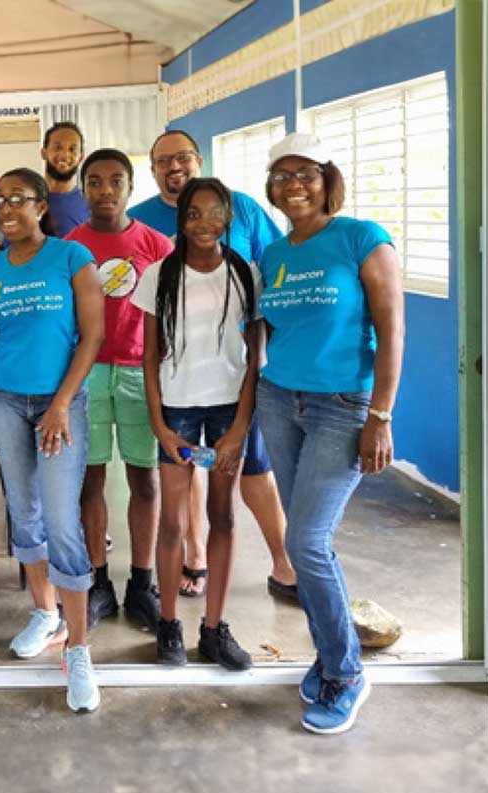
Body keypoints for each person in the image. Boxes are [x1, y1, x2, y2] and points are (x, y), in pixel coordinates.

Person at [256, 133, 403, 733]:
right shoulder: (274, 252)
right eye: (283, 175)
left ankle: (345, 672)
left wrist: (381, 416)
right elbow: (265, 329)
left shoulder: (362, 238)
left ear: (327, 179)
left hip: (343, 405)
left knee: (308, 543)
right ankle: (328, 653)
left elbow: (392, 329)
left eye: (306, 173)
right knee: (305, 543)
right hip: (278, 398)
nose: (295, 184)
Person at [129, 130, 296, 602]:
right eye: (163, 160)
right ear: (154, 169)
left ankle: (285, 564)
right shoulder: (144, 226)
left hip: (236, 382)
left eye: (182, 157)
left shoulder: (242, 210)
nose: (174, 166)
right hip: (181, 392)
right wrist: (158, 419)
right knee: (185, 485)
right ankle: (194, 557)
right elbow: (150, 336)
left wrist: (263, 368)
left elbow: (275, 266)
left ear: (197, 159)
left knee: (253, 472)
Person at [0, 167, 105, 712]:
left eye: (17, 200)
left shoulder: (72, 258)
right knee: (23, 513)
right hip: (3, 398)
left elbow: (92, 335)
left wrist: (58, 406)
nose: (5, 209)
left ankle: (79, 651)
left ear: (42, 206)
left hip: (60, 403)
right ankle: (45, 612)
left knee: (60, 520)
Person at [132, 177, 260, 670]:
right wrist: (160, 423)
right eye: (193, 214)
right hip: (179, 411)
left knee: (224, 516)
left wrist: (240, 425)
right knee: (174, 520)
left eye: (215, 214)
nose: (204, 224)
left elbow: (253, 356)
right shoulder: (159, 275)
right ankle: (169, 625)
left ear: (228, 218)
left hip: (228, 407)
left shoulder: (245, 274)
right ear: (181, 219)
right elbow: (149, 357)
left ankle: (214, 628)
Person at [64, 148, 173, 632]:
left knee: (143, 478)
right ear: (83, 189)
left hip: (139, 371)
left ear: (130, 188)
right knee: (89, 480)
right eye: (94, 182)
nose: (104, 191)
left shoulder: (157, 244)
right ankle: (99, 581)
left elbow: (172, 314)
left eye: (114, 181)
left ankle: (142, 582)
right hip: (86, 372)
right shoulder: (69, 247)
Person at [0, 121, 89, 241]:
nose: (65, 155)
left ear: (81, 156)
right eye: (58, 147)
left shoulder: (89, 205)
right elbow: (0, 256)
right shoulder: (22, 199)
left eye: (72, 149)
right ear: (44, 152)